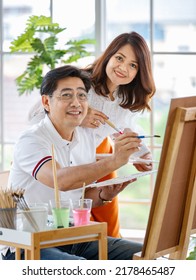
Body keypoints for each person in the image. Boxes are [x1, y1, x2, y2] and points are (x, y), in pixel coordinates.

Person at [2, 65, 143, 260]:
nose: (76, 103)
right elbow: (60, 180)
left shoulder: (85, 138)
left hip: (72, 236)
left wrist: (103, 194)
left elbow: (77, 196)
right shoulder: (32, 140)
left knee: (142, 255)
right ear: (46, 102)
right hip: (26, 244)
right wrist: (113, 161)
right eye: (66, 95)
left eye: (82, 96)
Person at [80, 31, 156, 237]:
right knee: (80, 231)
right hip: (64, 167)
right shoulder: (80, 83)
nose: (123, 68)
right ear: (109, 56)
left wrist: (143, 154)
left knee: (110, 232)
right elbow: (36, 115)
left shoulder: (124, 97)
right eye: (119, 58)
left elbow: (127, 127)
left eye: (133, 65)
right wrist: (78, 117)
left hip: (97, 164)